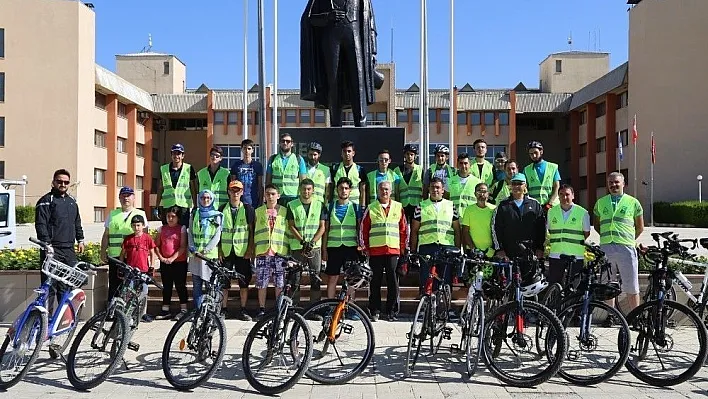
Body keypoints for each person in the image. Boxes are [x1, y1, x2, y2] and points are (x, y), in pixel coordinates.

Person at [300, 0, 382, 127]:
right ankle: (335, 123)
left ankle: (361, 123)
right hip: (330, 36)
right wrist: (327, 17)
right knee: (332, 82)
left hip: (354, 34)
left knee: (358, 80)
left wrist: (373, 50)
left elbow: (370, 22)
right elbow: (309, 19)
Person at [594, 172, 644, 315]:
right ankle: (610, 315)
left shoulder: (633, 202)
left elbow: (640, 227)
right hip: (606, 248)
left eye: (616, 182)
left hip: (626, 248)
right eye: (610, 182)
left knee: (631, 285)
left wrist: (627, 239)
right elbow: (597, 225)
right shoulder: (600, 202)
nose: (613, 185)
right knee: (607, 285)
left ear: (623, 184)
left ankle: (635, 316)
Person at [35, 169, 85, 310]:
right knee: (49, 285)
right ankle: (45, 319)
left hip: (68, 250)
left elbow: (77, 222)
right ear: (53, 182)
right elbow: (40, 225)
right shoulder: (45, 201)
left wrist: (80, 239)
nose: (63, 184)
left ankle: (63, 319)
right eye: (59, 181)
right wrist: (47, 245)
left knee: (66, 285)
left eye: (66, 182)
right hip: (52, 249)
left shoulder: (71, 202)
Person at [360, 180, 407, 321]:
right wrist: (365, 248)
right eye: (381, 189)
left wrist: (403, 247)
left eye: (386, 189)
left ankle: (391, 311)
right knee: (375, 282)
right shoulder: (371, 207)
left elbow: (404, 229)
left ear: (391, 191)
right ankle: (375, 310)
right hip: (375, 251)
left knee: (393, 281)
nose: (384, 191)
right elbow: (364, 229)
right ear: (377, 191)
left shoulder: (398, 207)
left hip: (393, 251)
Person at [410, 177, 462, 296]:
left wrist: (457, 250)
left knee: (445, 279)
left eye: (438, 187)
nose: (435, 190)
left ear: (443, 190)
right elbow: (414, 230)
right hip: (427, 247)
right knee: (426, 279)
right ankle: (426, 308)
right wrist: (413, 250)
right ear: (428, 189)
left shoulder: (451, 206)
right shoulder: (421, 206)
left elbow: (457, 230)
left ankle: (444, 309)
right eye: (432, 187)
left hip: (446, 248)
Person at [101, 186, 147, 301]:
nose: (126, 198)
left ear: (134, 198)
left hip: (133, 256)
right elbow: (106, 234)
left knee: (133, 286)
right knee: (114, 285)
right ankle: (112, 312)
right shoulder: (112, 214)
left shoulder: (140, 213)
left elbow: (145, 237)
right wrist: (102, 251)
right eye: (123, 196)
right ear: (119, 198)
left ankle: (131, 313)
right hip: (115, 256)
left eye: (129, 195)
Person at [218, 180, 256, 321]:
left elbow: (252, 231)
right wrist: (219, 250)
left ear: (242, 192)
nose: (235, 193)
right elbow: (218, 232)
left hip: (242, 251)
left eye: (238, 190)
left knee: (244, 282)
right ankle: (224, 309)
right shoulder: (222, 209)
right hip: (227, 251)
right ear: (228, 192)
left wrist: (250, 249)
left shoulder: (248, 209)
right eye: (233, 190)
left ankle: (243, 309)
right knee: (224, 282)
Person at [287, 179, 327, 306]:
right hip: (298, 246)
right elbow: (291, 226)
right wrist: (302, 241)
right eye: (304, 189)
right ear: (300, 189)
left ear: (313, 190)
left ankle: (314, 308)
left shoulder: (319, 204)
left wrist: (312, 242)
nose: (306, 191)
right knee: (295, 279)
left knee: (315, 278)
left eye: (309, 189)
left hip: (314, 248)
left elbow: (322, 227)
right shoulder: (292, 205)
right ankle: (294, 307)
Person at [322, 177, 362, 299]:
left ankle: (350, 306)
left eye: (346, 188)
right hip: (333, 247)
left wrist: (361, 247)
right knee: (332, 277)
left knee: (351, 278)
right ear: (336, 190)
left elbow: (359, 228)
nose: (343, 191)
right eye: (341, 188)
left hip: (351, 247)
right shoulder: (329, 207)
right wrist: (324, 249)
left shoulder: (355, 208)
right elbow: (326, 229)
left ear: (350, 191)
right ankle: (330, 305)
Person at [254, 184, 290, 318]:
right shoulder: (258, 211)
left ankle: (279, 309)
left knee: (279, 283)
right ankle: (262, 309)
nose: (270, 196)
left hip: (279, 252)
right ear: (264, 195)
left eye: (273, 194)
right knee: (261, 283)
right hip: (263, 252)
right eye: (268, 194)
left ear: (278, 196)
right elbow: (254, 231)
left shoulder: (285, 212)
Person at [491, 173, 546, 261]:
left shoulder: (535, 204)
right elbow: (495, 228)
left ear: (525, 185)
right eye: (514, 183)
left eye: (520, 184)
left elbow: (541, 228)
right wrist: (499, 249)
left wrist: (540, 248)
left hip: (530, 252)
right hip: (509, 254)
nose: (516, 186)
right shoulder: (503, 205)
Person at [547, 184, 591, 286]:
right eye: (561, 194)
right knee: (554, 286)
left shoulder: (582, 213)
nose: (564, 197)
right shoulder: (551, 212)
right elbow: (550, 230)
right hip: (556, 255)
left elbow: (586, 233)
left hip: (575, 256)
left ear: (573, 196)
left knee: (573, 287)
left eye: (567, 194)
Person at [187, 189, 223, 308]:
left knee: (211, 287)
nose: (205, 200)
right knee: (197, 286)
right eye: (203, 198)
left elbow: (217, 235)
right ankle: (198, 312)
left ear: (212, 199)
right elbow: (190, 232)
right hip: (196, 256)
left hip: (209, 257)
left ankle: (211, 313)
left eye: (208, 198)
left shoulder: (216, 215)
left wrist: (205, 250)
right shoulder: (195, 213)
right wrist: (193, 249)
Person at [119, 214, 157, 322]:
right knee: (129, 292)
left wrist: (152, 266)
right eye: (134, 225)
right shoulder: (128, 239)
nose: (136, 228)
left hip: (143, 270)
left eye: (139, 225)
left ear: (143, 226)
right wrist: (122, 266)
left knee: (144, 291)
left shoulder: (147, 238)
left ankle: (142, 313)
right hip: (131, 270)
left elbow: (152, 253)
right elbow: (123, 253)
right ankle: (129, 313)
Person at [154, 206, 188, 321]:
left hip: (179, 262)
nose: (170, 219)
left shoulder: (182, 228)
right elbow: (156, 246)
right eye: (168, 216)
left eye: (173, 216)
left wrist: (173, 258)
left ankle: (183, 309)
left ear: (178, 218)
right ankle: (165, 309)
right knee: (167, 286)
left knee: (180, 285)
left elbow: (183, 246)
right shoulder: (161, 229)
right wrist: (161, 258)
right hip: (165, 262)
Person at [155, 143, 197, 226]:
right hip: (168, 205)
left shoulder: (189, 168)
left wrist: (195, 206)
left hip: (183, 206)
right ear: (171, 155)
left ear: (182, 156)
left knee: (183, 230)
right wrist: (156, 206)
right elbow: (160, 188)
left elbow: (193, 188)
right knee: (168, 231)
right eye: (174, 153)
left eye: (178, 153)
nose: (176, 156)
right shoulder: (163, 169)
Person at [266, 132, 307, 206]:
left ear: (292, 144)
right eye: (283, 141)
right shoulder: (272, 159)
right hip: (276, 196)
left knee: (291, 218)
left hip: (293, 197)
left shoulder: (299, 159)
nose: (285, 143)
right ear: (280, 143)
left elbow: (303, 181)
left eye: (288, 141)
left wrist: (303, 198)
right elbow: (268, 180)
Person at [461, 183, 496, 258]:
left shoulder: (494, 209)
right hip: (473, 252)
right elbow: (465, 231)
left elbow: (497, 231)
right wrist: (473, 248)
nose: (482, 194)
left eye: (484, 191)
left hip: (490, 252)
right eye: (479, 191)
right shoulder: (469, 210)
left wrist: (493, 248)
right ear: (474, 194)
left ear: (488, 193)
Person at [524, 141, 561, 210]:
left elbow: (556, 187)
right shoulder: (526, 170)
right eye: (531, 154)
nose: (533, 156)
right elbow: (525, 188)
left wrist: (550, 203)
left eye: (535, 153)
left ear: (541, 152)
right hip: (534, 207)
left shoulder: (553, 167)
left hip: (552, 206)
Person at [393, 144, 423, 223]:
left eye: (412, 154)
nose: (409, 156)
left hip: (417, 204)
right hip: (403, 204)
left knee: (416, 228)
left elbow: (425, 188)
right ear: (404, 155)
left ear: (415, 156)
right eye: (407, 154)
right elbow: (396, 190)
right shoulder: (397, 170)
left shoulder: (420, 169)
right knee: (403, 228)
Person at [331, 140, 367, 206]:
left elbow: (363, 190)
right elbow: (331, 188)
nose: (347, 153)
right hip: (338, 205)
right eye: (344, 151)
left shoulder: (360, 169)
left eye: (349, 151)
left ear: (353, 153)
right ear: (341, 154)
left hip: (354, 205)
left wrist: (363, 206)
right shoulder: (334, 168)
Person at [230, 138, 264, 207]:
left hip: (253, 201)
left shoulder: (257, 166)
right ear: (241, 150)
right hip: (239, 201)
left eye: (249, 148)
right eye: (244, 148)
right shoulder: (236, 165)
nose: (246, 151)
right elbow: (233, 185)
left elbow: (260, 185)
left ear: (252, 150)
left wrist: (261, 202)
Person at [448, 153, 483, 217]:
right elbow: (445, 200)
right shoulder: (449, 181)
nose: (463, 166)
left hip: (472, 217)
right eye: (461, 163)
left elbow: (481, 201)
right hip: (454, 218)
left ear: (470, 165)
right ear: (457, 165)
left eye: (465, 163)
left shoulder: (478, 182)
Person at [198, 146, 231, 210]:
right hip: (205, 209)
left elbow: (230, 192)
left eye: (217, 156)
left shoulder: (226, 174)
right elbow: (197, 191)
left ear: (221, 158)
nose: (214, 157)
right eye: (212, 155)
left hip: (222, 208)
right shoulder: (200, 173)